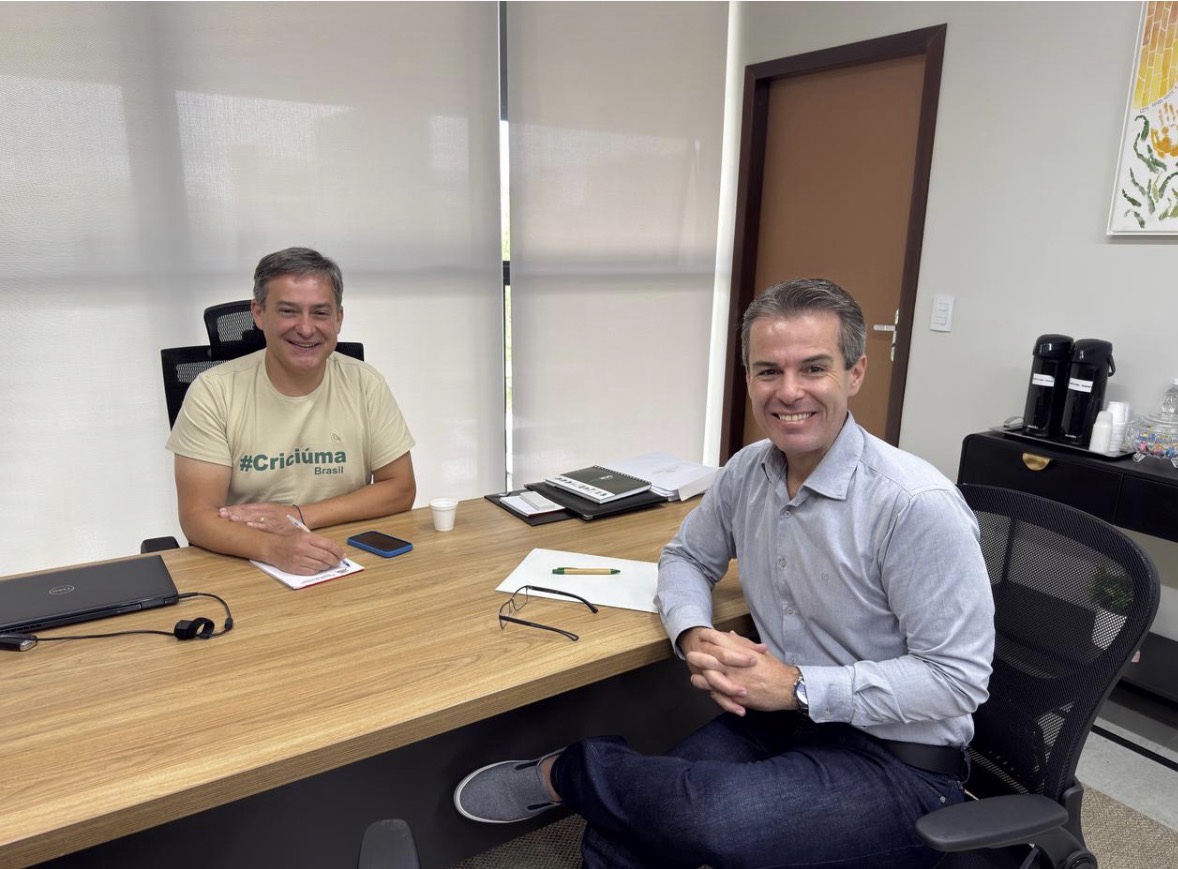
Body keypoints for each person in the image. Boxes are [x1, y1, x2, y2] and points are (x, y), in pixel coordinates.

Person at [452, 278, 995, 868]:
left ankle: (571, 771)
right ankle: (605, 789)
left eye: (814, 368)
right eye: (768, 371)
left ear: (856, 373)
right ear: (750, 378)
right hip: (777, 721)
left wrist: (797, 687)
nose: (789, 392)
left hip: (897, 759)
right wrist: (692, 632)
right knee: (630, 829)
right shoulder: (746, 472)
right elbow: (686, 557)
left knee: (712, 817)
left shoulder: (915, 505)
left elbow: (957, 679)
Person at [166, 247, 416, 576]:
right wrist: (273, 548)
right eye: (288, 311)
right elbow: (197, 517)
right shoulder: (213, 392)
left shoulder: (365, 383)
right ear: (258, 313)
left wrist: (298, 516)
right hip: (246, 560)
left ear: (338, 319)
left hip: (345, 554)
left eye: (320, 313)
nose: (306, 328)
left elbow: (400, 488)